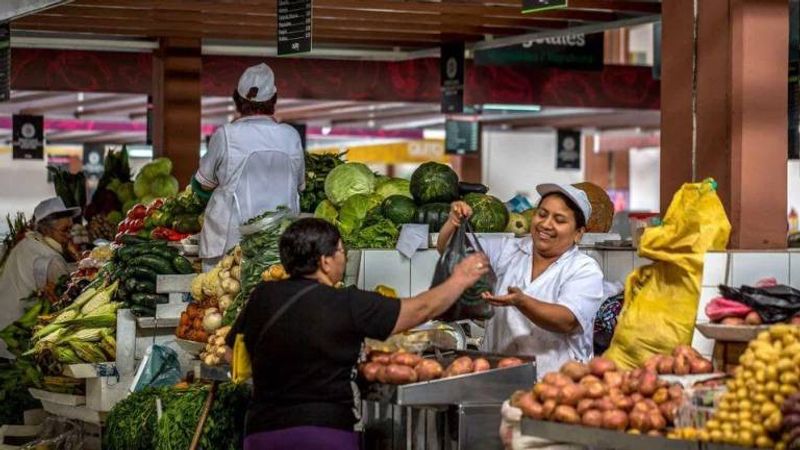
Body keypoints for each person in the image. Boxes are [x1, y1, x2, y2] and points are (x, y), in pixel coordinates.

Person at [226, 218, 489, 450]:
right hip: (322, 433)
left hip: (261, 433)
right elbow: (420, 309)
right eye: (341, 250)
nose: (344, 256)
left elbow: (231, 352)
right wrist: (460, 279)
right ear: (325, 261)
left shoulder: (263, 297)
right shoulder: (346, 302)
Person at [437, 183, 604, 376]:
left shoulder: (584, 268)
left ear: (578, 233)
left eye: (559, 220)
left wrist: (522, 302)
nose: (546, 224)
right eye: (542, 214)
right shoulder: (507, 249)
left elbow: (566, 320)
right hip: (497, 377)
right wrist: (453, 222)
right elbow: (449, 251)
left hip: (556, 385)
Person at [193, 63, 305, 270]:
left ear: (237, 99)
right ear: (274, 100)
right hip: (276, 247)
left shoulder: (226, 135)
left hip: (229, 246)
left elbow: (203, 183)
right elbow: (300, 187)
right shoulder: (290, 136)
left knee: (220, 298)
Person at [0, 197, 79, 359]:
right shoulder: (51, 259)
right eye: (64, 231)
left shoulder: (27, 244)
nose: (68, 236)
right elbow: (63, 295)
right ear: (46, 230)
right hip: (15, 339)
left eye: (70, 230)